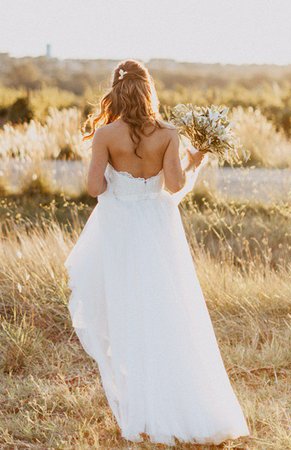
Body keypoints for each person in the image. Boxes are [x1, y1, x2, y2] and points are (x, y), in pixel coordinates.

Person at [64, 59, 249, 446]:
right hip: (159, 230)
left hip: (119, 233)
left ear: (115, 90)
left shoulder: (106, 135)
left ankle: (144, 412)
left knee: (127, 315)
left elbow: (96, 189)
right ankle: (179, 404)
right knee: (168, 311)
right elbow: (173, 185)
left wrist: (118, 176)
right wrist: (191, 161)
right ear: (149, 89)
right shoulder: (168, 133)